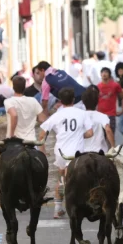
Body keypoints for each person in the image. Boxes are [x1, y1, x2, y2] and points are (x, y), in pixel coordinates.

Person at [39, 88, 93, 219]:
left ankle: (57, 208)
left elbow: (42, 133)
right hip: (76, 153)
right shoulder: (82, 113)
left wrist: (42, 150)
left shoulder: (57, 115)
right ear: (74, 99)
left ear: (61, 101)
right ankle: (76, 206)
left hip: (61, 152)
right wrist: (80, 135)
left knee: (62, 179)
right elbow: (90, 133)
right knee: (77, 180)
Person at [82, 87, 115, 152]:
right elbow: (108, 130)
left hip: (83, 152)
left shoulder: (79, 116)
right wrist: (114, 146)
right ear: (97, 102)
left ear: (83, 102)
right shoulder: (102, 116)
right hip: (100, 152)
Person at [97, 67, 123, 134]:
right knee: (101, 137)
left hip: (111, 115)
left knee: (110, 136)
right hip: (100, 115)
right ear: (100, 74)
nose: (104, 74)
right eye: (103, 72)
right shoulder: (97, 87)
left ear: (109, 75)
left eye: (106, 72)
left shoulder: (115, 85)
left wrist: (122, 110)